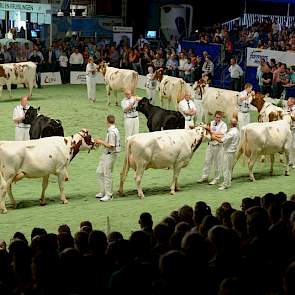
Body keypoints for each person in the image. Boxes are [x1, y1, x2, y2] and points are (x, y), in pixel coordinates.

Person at [95, 115, 121, 202]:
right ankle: (103, 191)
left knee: (107, 174)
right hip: (106, 154)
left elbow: (111, 145)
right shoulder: (113, 130)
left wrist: (100, 141)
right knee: (99, 172)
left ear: (107, 121)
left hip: (110, 154)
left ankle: (109, 195)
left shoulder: (112, 132)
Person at [198, 111, 227, 185]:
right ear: (214, 117)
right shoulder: (211, 123)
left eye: (219, 117)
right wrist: (213, 134)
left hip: (219, 146)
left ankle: (216, 179)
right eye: (217, 117)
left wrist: (212, 133)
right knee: (207, 161)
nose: (218, 119)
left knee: (218, 163)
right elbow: (207, 132)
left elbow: (222, 134)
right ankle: (205, 177)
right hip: (210, 145)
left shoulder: (223, 125)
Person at [215, 118, 240, 190]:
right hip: (233, 152)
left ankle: (226, 184)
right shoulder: (236, 131)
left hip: (228, 152)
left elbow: (222, 141)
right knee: (229, 168)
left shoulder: (231, 133)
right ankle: (228, 182)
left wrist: (214, 137)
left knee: (226, 168)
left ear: (230, 124)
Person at [285, 97, 295, 168]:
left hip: (294, 129)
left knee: (294, 146)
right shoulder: (287, 109)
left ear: (292, 102)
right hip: (289, 129)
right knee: (289, 146)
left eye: (288, 101)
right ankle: (291, 162)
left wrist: (289, 115)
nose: (287, 102)